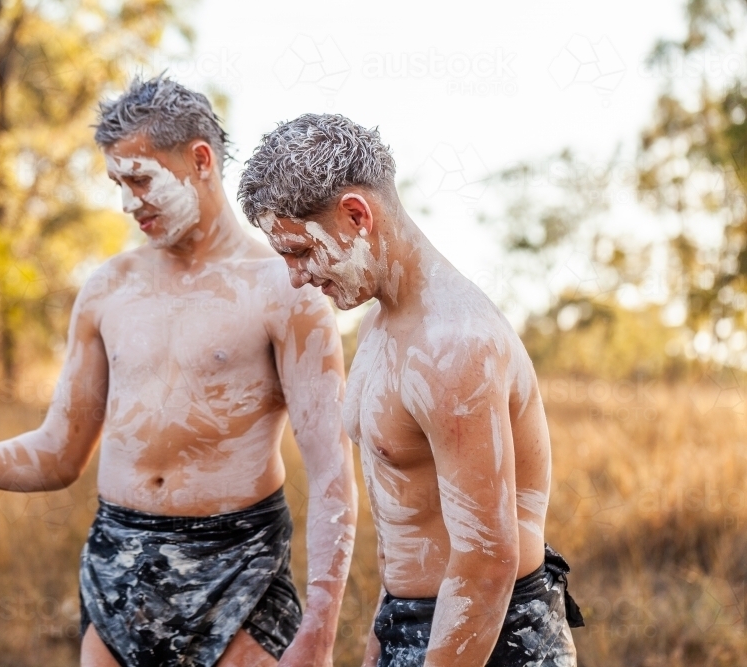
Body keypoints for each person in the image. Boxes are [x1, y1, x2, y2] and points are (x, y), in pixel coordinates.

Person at [0, 78, 357, 667]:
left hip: (237, 572)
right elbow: (57, 453)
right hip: (115, 569)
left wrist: (320, 631)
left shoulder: (286, 289)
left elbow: (333, 472)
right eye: (116, 184)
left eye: (140, 179)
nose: (128, 203)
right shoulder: (107, 289)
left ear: (200, 159)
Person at [238, 114, 583, 667]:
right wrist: (383, 635)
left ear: (356, 215)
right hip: (415, 619)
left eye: (300, 251)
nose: (296, 276)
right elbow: (406, 508)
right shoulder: (381, 324)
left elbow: (487, 561)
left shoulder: (452, 345)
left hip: (496, 635)